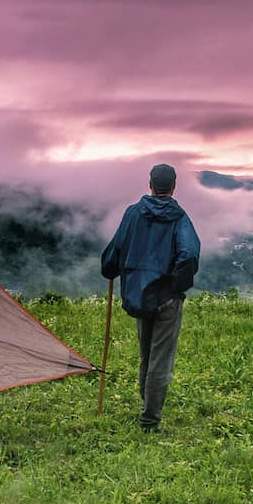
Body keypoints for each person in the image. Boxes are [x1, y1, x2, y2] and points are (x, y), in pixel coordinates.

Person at [101, 164, 200, 432]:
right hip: (167, 299)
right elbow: (189, 254)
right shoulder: (179, 218)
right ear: (174, 186)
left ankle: (147, 404)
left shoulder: (133, 214)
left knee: (146, 353)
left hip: (139, 295)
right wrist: (175, 286)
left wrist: (109, 268)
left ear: (150, 184)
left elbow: (115, 250)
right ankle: (150, 420)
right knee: (160, 359)